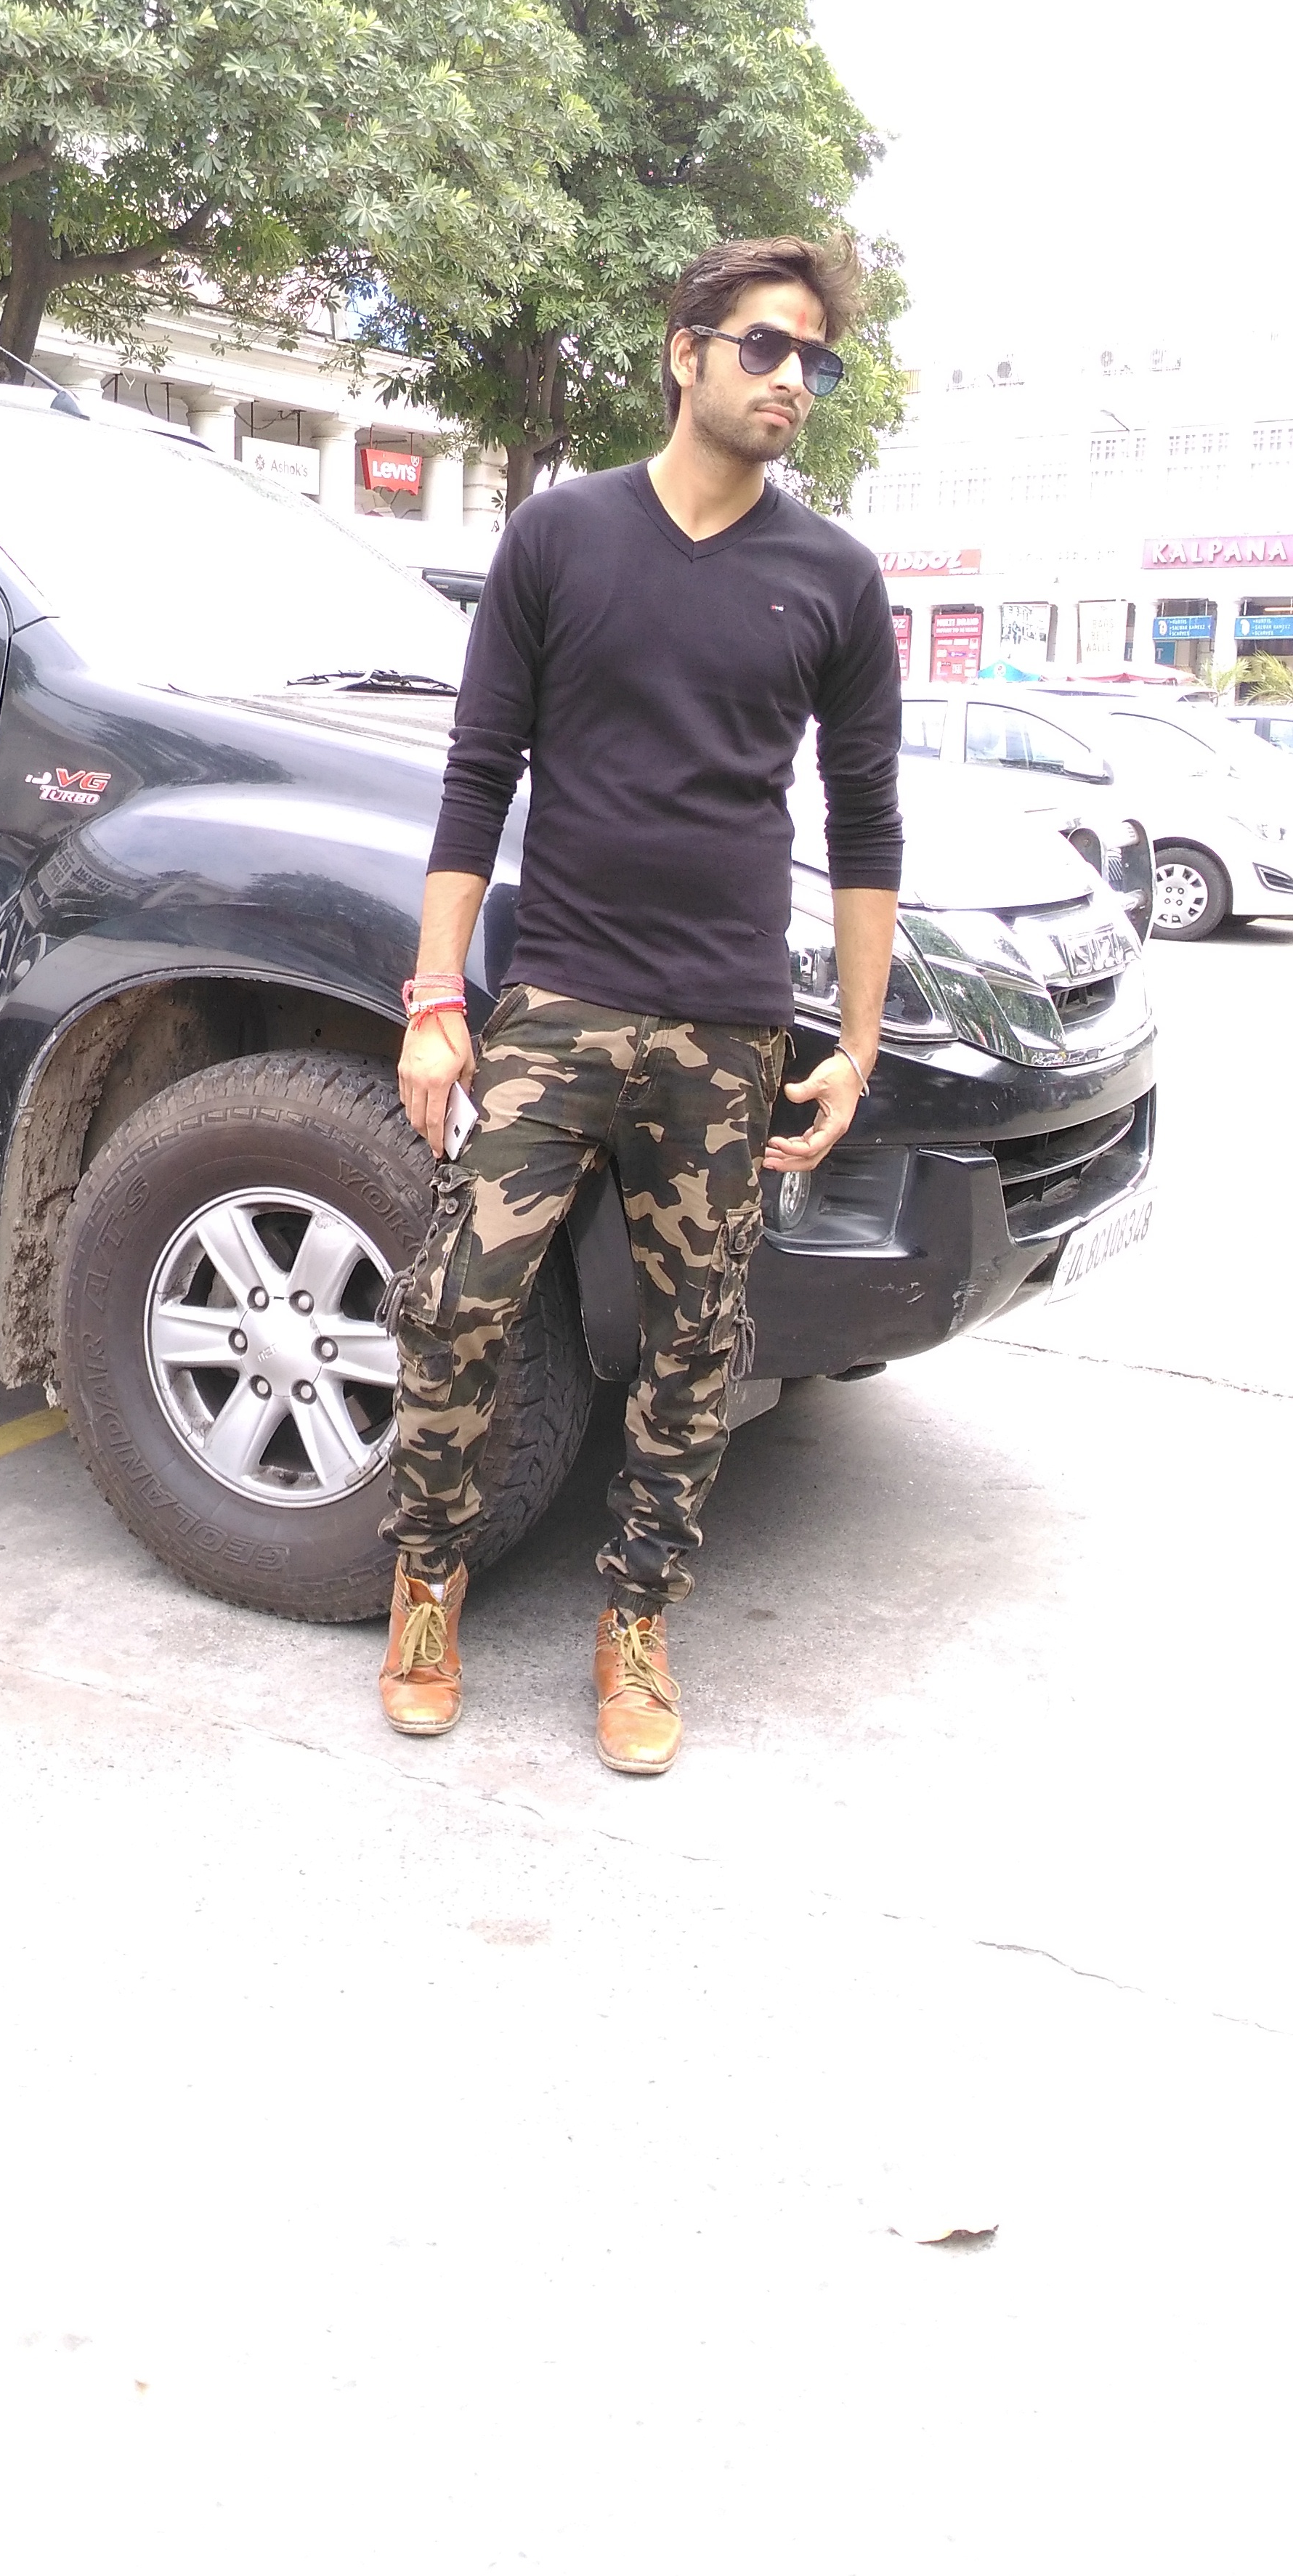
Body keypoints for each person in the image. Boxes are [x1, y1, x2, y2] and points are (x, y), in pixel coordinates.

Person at [377, 234, 904, 1773]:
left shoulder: (835, 578)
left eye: (815, 359)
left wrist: (857, 1046)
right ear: (686, 353)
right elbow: (478, 773)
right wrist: (435, 994)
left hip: (728, 1028)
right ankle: (427, 1577)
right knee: (456, 1303)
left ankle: (637, 1617)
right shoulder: (560, 537)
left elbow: (867, 827)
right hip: (560, 1005)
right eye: (765, 346)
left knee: (698, 1345)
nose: (792, 379)